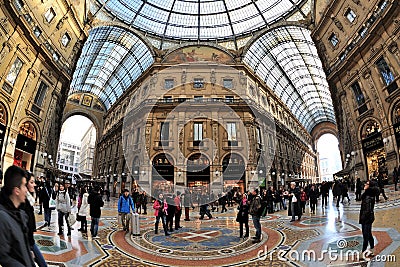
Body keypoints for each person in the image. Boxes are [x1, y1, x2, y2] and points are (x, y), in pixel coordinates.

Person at [0, 165, 35, 267]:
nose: (26, 190)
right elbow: (3, 256)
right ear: (16, 190)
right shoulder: (3, 218)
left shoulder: (20, 213)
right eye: (24, 185)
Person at [23, 172, 48, 267]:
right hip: (26, 244)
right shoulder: (23, 201)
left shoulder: (29, 200)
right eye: (32, 182)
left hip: (30, 241)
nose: (35, 184)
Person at [359, 180, 379, 257]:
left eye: (367, 184)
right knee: (369, 234)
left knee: (366, 235)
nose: (365, 184)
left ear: (369, 186)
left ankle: (363, 252)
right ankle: (372, 249)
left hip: (366, 218)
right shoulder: (367, 195)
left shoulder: (368, 197)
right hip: (367, 217)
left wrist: (363, 219)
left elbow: (367, 211)